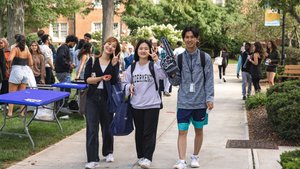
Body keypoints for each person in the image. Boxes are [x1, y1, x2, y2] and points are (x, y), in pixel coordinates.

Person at [168, 27, 214, 169]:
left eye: (192, 37)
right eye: (186, 37)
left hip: (200, 102)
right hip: (183, 102)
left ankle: (195, 157)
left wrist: (210, 98)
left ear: (197, 38)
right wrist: (171, 73)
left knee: (198, 130)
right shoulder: (179, 58)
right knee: (182, 131)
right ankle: (181, 161)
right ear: (183, 39)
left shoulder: (204, 57)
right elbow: (176, 83)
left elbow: (209, 80)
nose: (189, 40)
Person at [123, 39, 166, 169]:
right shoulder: (132, 67)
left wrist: (157, 60)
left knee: (149, 132)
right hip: (136, 105)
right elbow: (124, 83)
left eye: (146, 48)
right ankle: (141, 155)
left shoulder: (153, 65)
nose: (143, 50)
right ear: (137, 51)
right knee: (139, 132)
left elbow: (164, 75)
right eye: (141, 48)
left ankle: (147, 158)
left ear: (150, 51)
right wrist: (129, 86)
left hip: (152, 104)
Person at [84, 37, 121, 169]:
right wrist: (100, 78)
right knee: (92, 129)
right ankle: (93, 158)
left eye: (113, 46)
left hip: (107, 98)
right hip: (92, 98)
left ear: (115, 50)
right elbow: (87, 79)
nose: (110, 47)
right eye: (108, 44)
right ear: (104, 44)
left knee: (107, 127)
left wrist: (114, 65)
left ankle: (108, 151)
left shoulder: (114, 62)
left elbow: (114, 81)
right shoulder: (93, 60)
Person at [7, 35, 33, 117]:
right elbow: (31, 63)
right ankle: (22, 113)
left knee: (11, 93)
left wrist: (9, 65)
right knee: (22, 93)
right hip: (25, 71)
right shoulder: (27, 49)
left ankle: (10, 113)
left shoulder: (15, 48)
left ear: (17, 41)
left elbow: (9, 59)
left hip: (16, 70)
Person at [55, 35, 78, 107]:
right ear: (71, 42)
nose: (74, 45)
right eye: (74, 43)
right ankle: (63, 106)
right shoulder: (64, 48)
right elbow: (61, 58)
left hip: (63, 71)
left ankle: (62, 105)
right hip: (63, 72)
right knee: (66, 90)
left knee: (65, 89)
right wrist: (69, 65)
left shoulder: (63, 48)